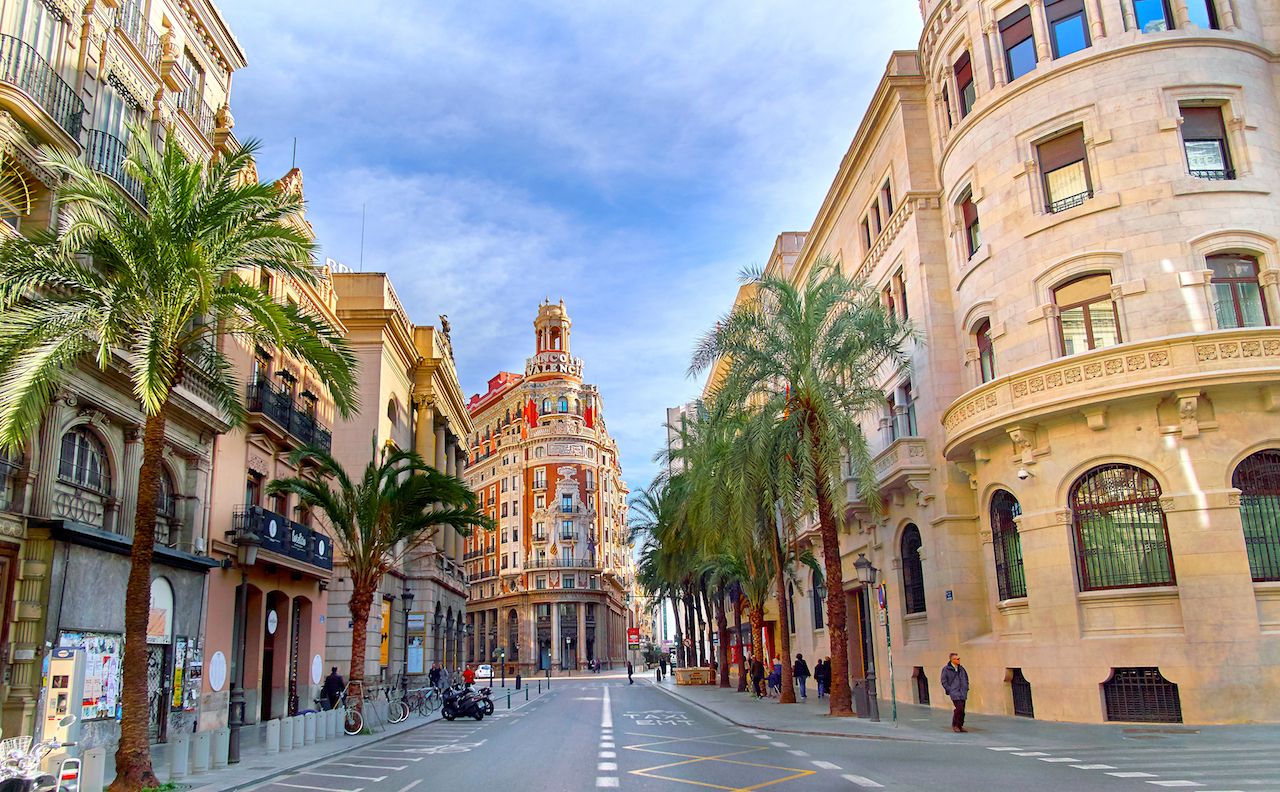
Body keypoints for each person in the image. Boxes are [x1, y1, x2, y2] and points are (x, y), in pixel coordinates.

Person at [940, 652, 970, 733]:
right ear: (952, 660)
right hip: (954, 692)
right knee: (959, 708)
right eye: (957, 659)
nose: (958, 660)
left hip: (962, 692)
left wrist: (966, 687)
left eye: (959, 658)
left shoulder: (962, 669)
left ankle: (960, 725)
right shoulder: (946, 669)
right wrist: (949, 689)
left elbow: (966, 679)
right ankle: (955, 725)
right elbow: (944, 681)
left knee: (962, 710)